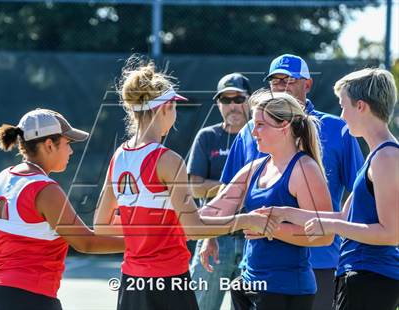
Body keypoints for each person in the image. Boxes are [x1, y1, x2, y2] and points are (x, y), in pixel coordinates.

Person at [92, 56, 276, 310]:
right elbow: (193, 229)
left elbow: (102, 226)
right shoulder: (167, 159)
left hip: (132, 281)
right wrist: (245, 220)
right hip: (169, 281)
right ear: (164, 108)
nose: (175, 114)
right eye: (174, 107)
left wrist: (145, 231)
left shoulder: (119, 156)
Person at [215, 54, 364, 310]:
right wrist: (209, 236)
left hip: (319, 263)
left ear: (307, 84)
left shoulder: (338, 128)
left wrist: (342, 226)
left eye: (289, 80)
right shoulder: (251, 131)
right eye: (275, 80)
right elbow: (228, 191)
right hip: (256, 266)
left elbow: (360, 188)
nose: (281, 86)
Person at [261, 68, 399, 310]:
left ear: (361, 106)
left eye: (343, 106)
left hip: (372, 278)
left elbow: (391, 233)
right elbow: (345, 217)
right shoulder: (377, 155)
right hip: (359, 275)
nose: (342, 116)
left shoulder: (387, 157)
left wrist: (332, 227)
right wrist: (285, 213)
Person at [198, 90, 334, 310]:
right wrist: (175, 214)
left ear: (284, 126)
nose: (254, 133)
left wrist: (268, 228)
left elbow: (324, 236)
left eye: (261, 125)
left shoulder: (305, 169)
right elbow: (214, 210)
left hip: (286, 290)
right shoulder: (254, 168)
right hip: (250, 284)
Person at [0, 109, 126, 310]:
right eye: (67, 143)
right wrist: (145, 243)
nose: (71, 151)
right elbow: (86, 243)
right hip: (27, 298)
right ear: (49, 145)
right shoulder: (45, 189)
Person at [187, 73, 251, 310]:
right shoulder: (208, 137)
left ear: (250, 100)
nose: (232, 105)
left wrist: (215, 187)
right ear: (218, 104)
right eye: (226, 99)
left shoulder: (263, 136)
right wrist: (239, 188)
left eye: (238, 98)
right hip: (213, 238)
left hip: (253, 238)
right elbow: (194, 187)